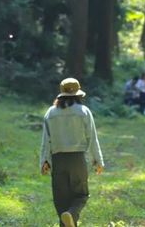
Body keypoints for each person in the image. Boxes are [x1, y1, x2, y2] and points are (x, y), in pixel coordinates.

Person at [40, 78, 104, 227]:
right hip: (77, 159)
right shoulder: (83, 111)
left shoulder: (50, 113)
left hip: (58, 159)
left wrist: (45, 161)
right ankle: (72, 214)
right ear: (78, 94)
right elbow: (92, 138)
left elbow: (45, 140)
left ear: (61, 94)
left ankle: (67, 217)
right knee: (81, 194)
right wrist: (98, 160)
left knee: (61, 199)